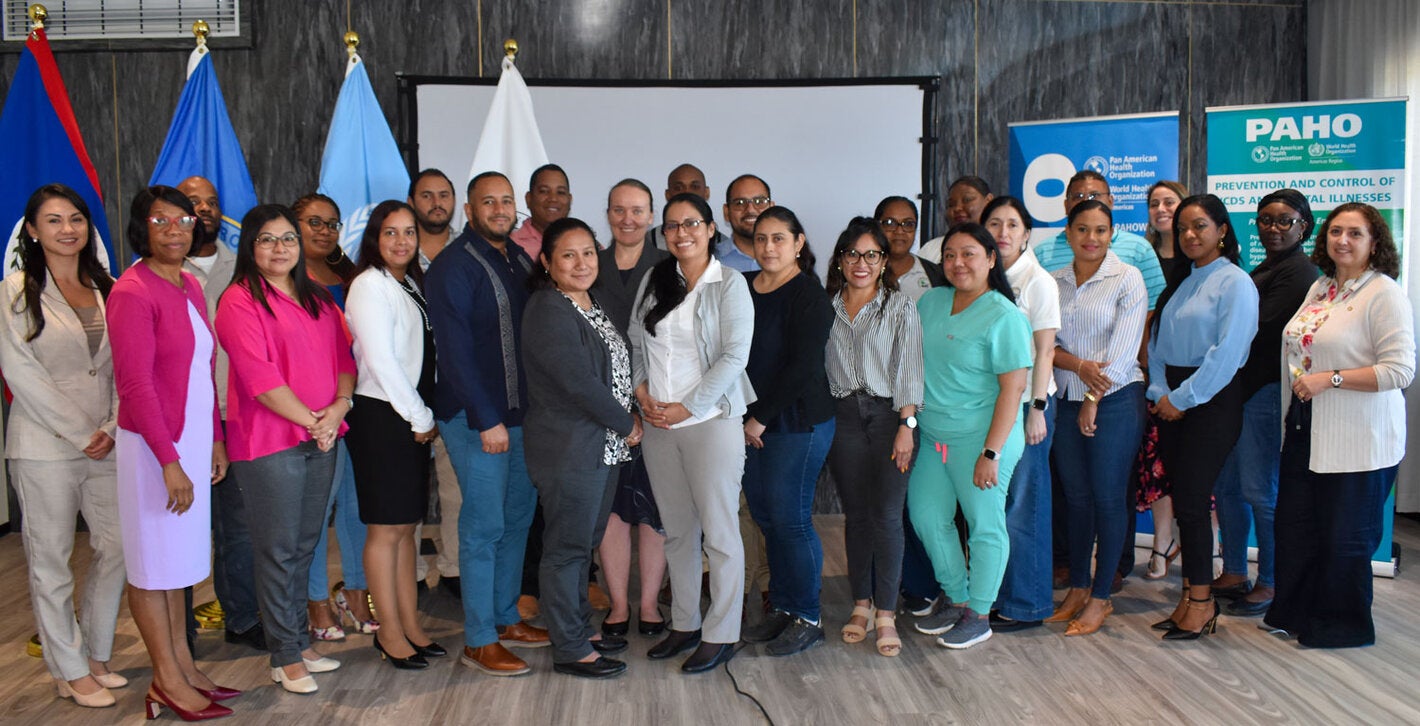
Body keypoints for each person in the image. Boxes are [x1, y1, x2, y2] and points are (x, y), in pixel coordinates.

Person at [216, 203, 356, 692]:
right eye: (268, 239)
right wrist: (315, 422)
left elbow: (345, 361)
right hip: (269, 442)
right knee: (276, 550)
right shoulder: (238, 300)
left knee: (303, 545)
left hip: (322, 437)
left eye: (288, 239)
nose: (280, 248)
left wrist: (338, 408)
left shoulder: (318, 297)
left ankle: (297, 640)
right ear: (250, 247)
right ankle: (283, 657)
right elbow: (258, 378)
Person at [108, 185, 234, 720]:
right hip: (153, 448)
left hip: (190, 440)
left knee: (179, 566)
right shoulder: (132, 291)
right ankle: (164, 679)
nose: (175, 229)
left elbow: (203, 370)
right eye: (161, 221)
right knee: (150, 566)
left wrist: (215, 441)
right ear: (142, 228)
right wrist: (168, 460)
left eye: (182, 220)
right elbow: (135, 385)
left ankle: (183, 666)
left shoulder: (187, 283)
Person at [1267, 203, 1414, 648]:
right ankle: (1295, 613)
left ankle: (1342, 625)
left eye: (1355, 233)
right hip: (1305, 428)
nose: (1343, 241)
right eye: (1336, 232)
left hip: (1358, 437)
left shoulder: (1383, 293)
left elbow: (1399, 370)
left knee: (1343, 537)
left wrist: (1330, 380)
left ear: (1375, 243)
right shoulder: (1322, 287)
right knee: (1298, 527)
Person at [0, 184, 124, 709]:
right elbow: (21, 374)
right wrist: (81, 432)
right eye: (53, 221)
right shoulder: (13, 290)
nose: (67, 229)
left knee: (117, 546)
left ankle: (96, 655)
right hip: (44, 447)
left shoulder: (110, 286)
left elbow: (126, 368)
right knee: (49, 560)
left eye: (75, 218)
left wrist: (114, 426)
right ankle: (67, 669)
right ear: (31, 230)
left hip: (110, 442)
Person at [426, 171, 548, 677]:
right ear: (469, 211)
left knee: (517, 518)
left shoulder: (519, 258)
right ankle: (478, 638)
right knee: (482, 526)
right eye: (487, 202)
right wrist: (486, 418)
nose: (499, 209)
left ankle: (503, 617)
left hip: (523, 417)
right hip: (478, 420)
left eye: (505, 200)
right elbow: (452, 354)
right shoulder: (452, 267)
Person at [631, 192, 754, 674]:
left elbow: (734, 357)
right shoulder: (654, 279)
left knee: (720, 532)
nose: (681, 233)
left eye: (691, 224)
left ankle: (721, 633)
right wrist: (642, 392)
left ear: (709, 229)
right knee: (678, 532)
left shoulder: (730, 285)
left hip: (711, 423)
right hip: (661, 424)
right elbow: (634, 338)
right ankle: (684, 623)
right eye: (672, 226)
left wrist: (690, 407)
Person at [523, 217, 641, 678]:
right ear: (547, 262)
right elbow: (578, 384)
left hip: (601, 447)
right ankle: (570, 647)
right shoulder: (548, 308)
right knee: (567, 547)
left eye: (588, 252)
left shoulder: (594, 302)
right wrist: (627, 422)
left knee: (583, 543)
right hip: (569, 446)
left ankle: (576, 628)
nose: (580, 262)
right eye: (568, 255)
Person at [909, 222, 1031, 650]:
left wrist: (991, 452)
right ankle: (958, 597)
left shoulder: (1004, 315)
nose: (958, 263)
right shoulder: (931, 302)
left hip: (982, 439)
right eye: (950, 256)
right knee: (926, 515)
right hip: (934, 434)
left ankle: (979, 613)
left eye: (969, 254)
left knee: (984, 525)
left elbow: (1013, 389)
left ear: (991, 259)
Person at [1146, 194, 1258, 640]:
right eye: (1183, 228)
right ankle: (1191, 596)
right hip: (1172, 398)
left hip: (1210, 401)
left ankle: (1201, 601)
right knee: (1185, 505)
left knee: (1193, 504)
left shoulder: (1235, 282)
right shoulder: (1181, 280)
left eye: (1201, 226)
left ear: (1223, 230)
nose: (1190, 235)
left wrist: (1182, 398)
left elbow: (1227, 355)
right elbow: (1155, 344)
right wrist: (1159, 392)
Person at [344, 201, 444, 670]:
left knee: (406, 530)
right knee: (386, 531)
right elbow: (381, 361)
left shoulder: (407, 282)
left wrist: (420, 415)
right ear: (374, 238)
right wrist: (419, 416)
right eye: (391, 233)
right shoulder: (368, 285)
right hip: (384, 418)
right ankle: (388, 632)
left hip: (407, 416)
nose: (402, 241)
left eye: (409, 232)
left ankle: (410, 623)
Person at [1212, 190, 1319, 617]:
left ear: (1303, 226)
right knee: (1228, 488)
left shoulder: (1300, 271)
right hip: (1237, 395)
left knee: (1259, 490)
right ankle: (1236, 571)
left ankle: (1272, 581)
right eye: (1265, 220)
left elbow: (1256, 329)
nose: (1273, 228)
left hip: (1264, 394)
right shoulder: (1266, 268)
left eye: (1284, 221)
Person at [1043, 200, 1147, 636]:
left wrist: (1091, 394)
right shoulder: (1055, 282)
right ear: (1067, 233)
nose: (1091, 238)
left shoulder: (1127, 277)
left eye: (1101, 230)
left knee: (1107, 497)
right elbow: (1047, 346)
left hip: (1117, 400)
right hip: (1065, 398)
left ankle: (1102, 597)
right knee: (1077, 499)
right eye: (1082, 229)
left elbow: (1122, 354)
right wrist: (1078, 369)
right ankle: (1079, 588)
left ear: (1112, 234)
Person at [737, 207, 835, 656]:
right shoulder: (744, 289)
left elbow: (802, 368)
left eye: (779, 238)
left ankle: (808, 616)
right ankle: (783, 606)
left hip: (796, 423)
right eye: (761, 239)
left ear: (798, 244)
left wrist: (760, 418)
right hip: (753, 423)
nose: (768, 247)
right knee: (767, 517)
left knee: (791, 520)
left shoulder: (809, 295)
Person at [823, 217, 923, 657]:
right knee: (857, 517)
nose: (861, 263)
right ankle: (860, 604)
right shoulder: (826, 307)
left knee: (886, 516)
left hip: (889, 419)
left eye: (871, 255)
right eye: (852, 254)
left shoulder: (901, 308)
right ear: (840, 259)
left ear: (884, 262)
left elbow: (910, 369)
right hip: (843, 418)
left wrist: (907, 425)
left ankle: (886, 611)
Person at [177, 176, 264, 651]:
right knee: (184, 528)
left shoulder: (242, 266)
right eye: (194, 203)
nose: (204, 210)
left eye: (212, 203)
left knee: (241, 528)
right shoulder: (159, 270)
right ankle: (180, 630)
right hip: (183, 422)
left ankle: (244, 618)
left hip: (238, 416)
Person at [291, 193, 375, 642]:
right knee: (318, 511)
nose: (324, 231)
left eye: (332, 224)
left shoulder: (350, 275)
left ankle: (356, 592)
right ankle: (316, 600)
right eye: (314, 223)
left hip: (361, 401)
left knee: (357, 507)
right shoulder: (285, 278)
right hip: (314, 411)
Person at [593, 179, 670, 639]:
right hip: (601, 407)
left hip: (657, 404)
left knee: (655, 510)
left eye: (637, 210)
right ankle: (619, 605)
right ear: (607, 214)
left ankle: (649, 605)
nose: (628, 219)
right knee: (613, 511)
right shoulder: (589, 264)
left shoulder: (668, 266)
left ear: (651, 215)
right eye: (619, 210)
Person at [981, 196, 1062, 633]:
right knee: (995, 508)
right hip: (990, 407)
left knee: (1024, 508)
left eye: (1013, 224)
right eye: (994, 223)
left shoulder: (1038, 281)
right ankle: (998, 594)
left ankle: (1027, 603)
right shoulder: (982, 276)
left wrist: (1037, 409)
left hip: (1028, 408)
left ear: (1027, 233)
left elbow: (1046, 350)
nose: (1004, 232)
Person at [408, 168, 462, 597]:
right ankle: (407, 574)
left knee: (456, 490)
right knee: (406, 495)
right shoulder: (395, 255)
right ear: (413, 203)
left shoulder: (466, 252)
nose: (436, 203)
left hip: (453, 390)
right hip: (403, 395)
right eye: (427, 195)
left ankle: (453, 569)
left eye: (443, 195)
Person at [1139, 180, 1189, 582]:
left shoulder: (1201, 258)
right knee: (1156, 465)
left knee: (1197, 470)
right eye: (1154, 203)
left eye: (1169, 201)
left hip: (1194, 381)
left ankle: (1205, 546)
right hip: (1150, 378)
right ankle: (1161, 543)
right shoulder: (1144, 257)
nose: (1161, 209)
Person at [1032, 170, 1166, 309]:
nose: (1085, 201)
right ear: (1066, 206)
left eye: (1094, 195)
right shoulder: (1042, 253)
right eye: (1078, 196)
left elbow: (1153, 310)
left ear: (1110, 201)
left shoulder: (1139, 249)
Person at [646, 164, 731, 252]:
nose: (687, 192)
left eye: (695, 187)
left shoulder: (723, 245)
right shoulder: (649, 241)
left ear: (707, 193)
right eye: (678, 188)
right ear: (667, 195)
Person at [876, 195, 944, 302]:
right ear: (877, 227)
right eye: (890, 223)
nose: (899, 231)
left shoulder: (936, 275)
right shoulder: (861, 271)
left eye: (908, 224)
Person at [919, 176, 994, 262]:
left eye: (967, 200)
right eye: (951, 205)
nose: (957, 208)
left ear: (988, 201)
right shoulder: (931, 250)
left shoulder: (1003, 246)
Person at [510, 163, 573, 260]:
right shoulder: (510, 246)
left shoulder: (587, 246)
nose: (553, 199)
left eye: (560, 192)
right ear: (528, 199)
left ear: (570, 200)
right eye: (544, 191)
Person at [717, 174, 771, 273]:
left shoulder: (791, 258)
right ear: (726, 212)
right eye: (740, 203)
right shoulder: (710, 261)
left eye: (759, 201)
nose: (750, 210)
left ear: (772, 208)